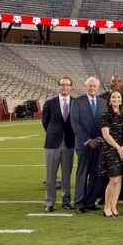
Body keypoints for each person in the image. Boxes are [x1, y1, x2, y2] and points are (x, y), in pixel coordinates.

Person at [71, 76, 106, 213]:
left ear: (98, 87)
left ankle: (90, 202)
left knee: (96, 174)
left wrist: (98, 138)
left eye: (95, 86)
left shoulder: (103, 102)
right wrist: (87, 140)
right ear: (86, 87)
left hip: (98, 144)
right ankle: (79, 203)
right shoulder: (78, 102)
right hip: (83, 144)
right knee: (82, 173)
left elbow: (105, 122)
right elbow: (75, 122)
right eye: (90, 86)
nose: (92, 88)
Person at [42, 77, 76, 212]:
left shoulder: (75, 102)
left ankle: (66, 201)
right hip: (52, 143)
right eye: (62, 85)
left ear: (71, 87)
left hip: (69, 142)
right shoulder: (50, 103)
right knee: (50, 175)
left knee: (66, 175)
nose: (65, 87)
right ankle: (50, 202)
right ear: (58, 86)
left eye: (67, 85)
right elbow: (45, 122)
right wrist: (54, 133)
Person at [100, 90, 123, 217]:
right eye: (113, 97)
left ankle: (114, 206)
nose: (116, 99)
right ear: (110, 100)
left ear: (121, 100)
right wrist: (118, 147)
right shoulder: (105, 115)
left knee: (120, 179)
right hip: (111, 149)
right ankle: (106, 207)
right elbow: (106, 135)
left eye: (118, 97)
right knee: (113, 179)